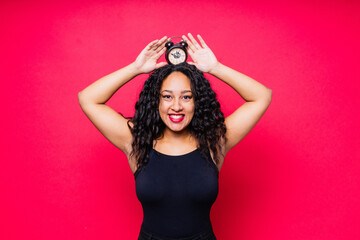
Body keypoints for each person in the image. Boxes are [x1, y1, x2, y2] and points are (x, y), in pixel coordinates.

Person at [78, 33, 272, 240]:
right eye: (167, 96)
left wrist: (216, 68)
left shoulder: (214, 140)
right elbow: (88, 99)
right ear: (156, 101)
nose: (176, 106)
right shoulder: (137, 140)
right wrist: (135, 69)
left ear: (197, 101)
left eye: (186, 97)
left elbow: (261, 96)